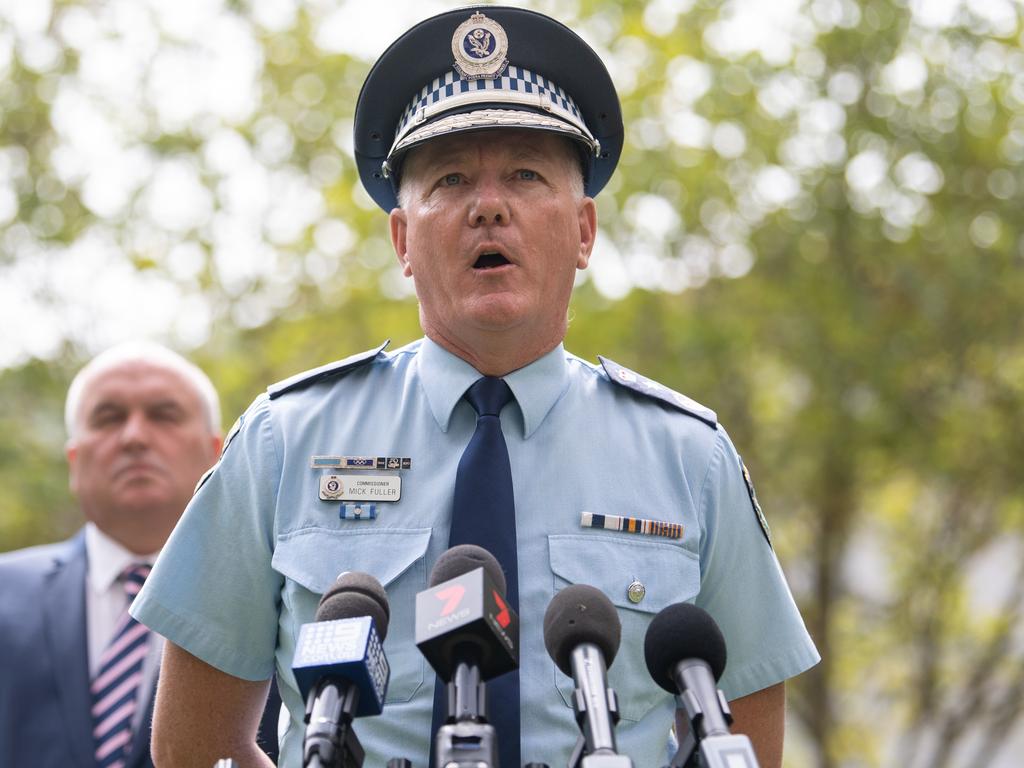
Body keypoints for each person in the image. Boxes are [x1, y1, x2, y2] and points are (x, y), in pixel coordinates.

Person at [133, 7, 819, 768]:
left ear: (584, 231)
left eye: (525, 175)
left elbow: (745, 735)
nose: (488, 205)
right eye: (451, 179)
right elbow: (195, 745)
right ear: (402, 240)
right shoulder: (285, 439)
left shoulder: (689, 457)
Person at [0, 342, 280, 767]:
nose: (134, 437)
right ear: (74, 460)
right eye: (108, 418)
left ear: (215, 453)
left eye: (163, 415)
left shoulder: (283, 603)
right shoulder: (5, 593)